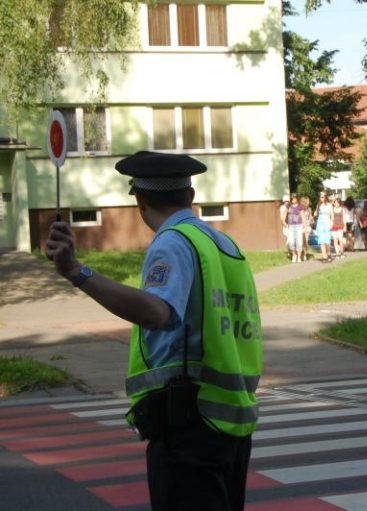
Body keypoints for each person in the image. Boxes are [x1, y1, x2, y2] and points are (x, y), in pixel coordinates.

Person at [45, 151, 262, 511]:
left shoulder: (173, 241)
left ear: (140, 202)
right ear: (190, 197)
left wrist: (77, 273)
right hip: (231, 423)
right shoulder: (223, 244)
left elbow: (158, 312)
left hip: (190, 425)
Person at [285, 194, 305, 263]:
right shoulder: (288, 206)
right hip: (291, 226)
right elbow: (285, 215)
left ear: (297, 198)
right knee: (291, 242)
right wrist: (285, 223)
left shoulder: (300, 206)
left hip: (299, 226)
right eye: (292, 198)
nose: (293, 199)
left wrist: (304, 226)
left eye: (294, 198)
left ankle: (299, 257)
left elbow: (303, 216)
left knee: (299, 242)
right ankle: (294, 255)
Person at [314, 191, 333, 262]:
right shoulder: (318, 205)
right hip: (320, 223)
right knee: (321, 241)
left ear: (325, 197)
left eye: (322, 196)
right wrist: (315, 213)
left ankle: (329, 254)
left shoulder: (329, 205)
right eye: (320, 196)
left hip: (327, 223)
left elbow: (332, 215)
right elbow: (315, 213)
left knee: (327, 241)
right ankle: (324, 257)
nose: (321, 198)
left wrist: (332, 223)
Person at [300, 196, 313, 261]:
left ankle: (305, 254)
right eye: (307, 202)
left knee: (306, 241)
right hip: (301, 227)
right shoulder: (299, 210)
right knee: (301, 241)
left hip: (307, 227)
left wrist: (311, 218)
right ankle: (302, 254)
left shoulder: (309, 209)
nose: (308, 203)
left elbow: (311, 217)